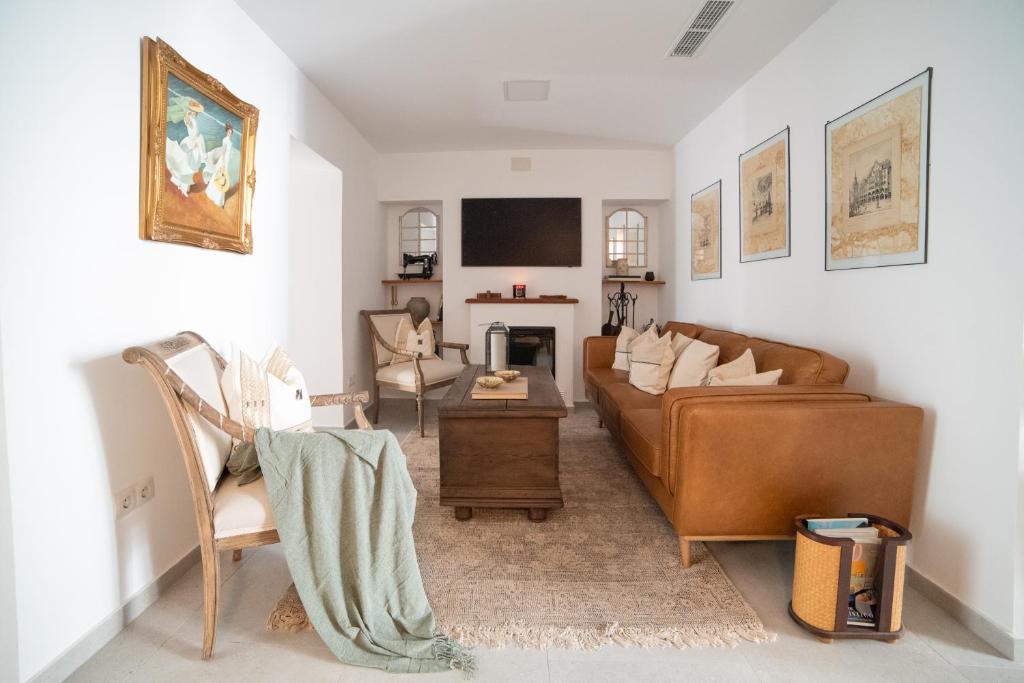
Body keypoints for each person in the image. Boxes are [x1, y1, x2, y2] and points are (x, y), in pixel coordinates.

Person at [203, 123, 234, 207]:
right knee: (220, 176)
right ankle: (217, 198)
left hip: (226, 161)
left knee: (223, 177)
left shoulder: (229, 141)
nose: (230, 134)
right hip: (223, 161)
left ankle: (218, 198)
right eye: (229, 132)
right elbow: (223, 153)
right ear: (226, 132)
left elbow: (228, 152)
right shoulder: (225, 140)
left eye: (231, 133)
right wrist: (223, 164)